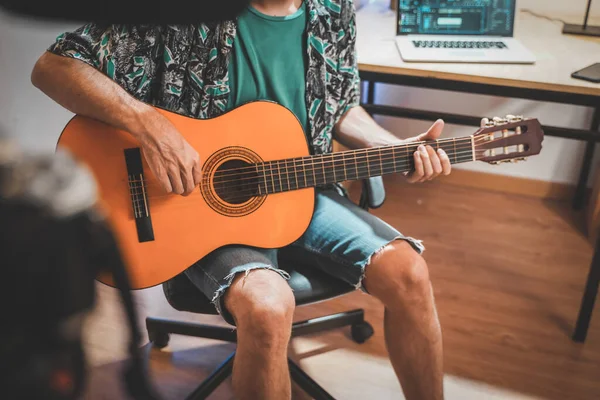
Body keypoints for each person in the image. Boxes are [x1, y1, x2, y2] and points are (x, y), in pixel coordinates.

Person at [31, 1, 451, 399]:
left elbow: (340, 107)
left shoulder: (331, 8)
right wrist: (150, 125)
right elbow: (53, 67)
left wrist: (397, 147)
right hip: (192, 202)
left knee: (409, 271)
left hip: (304, 190)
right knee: (267, 307)